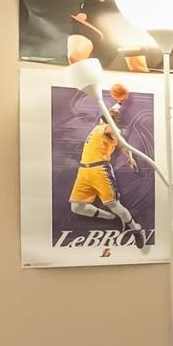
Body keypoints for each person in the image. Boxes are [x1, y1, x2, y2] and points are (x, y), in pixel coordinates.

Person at [67, 100, 147, 248]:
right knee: (77, 207)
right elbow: (110, 113)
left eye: (113, 115)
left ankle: (136, 228)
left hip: (99, 170)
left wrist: (129, 156)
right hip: (84, 170)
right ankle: (112, 218)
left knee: (113, 204)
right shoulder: (100, 125)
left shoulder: (109, 129)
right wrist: (120, 102)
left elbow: (122, 143)